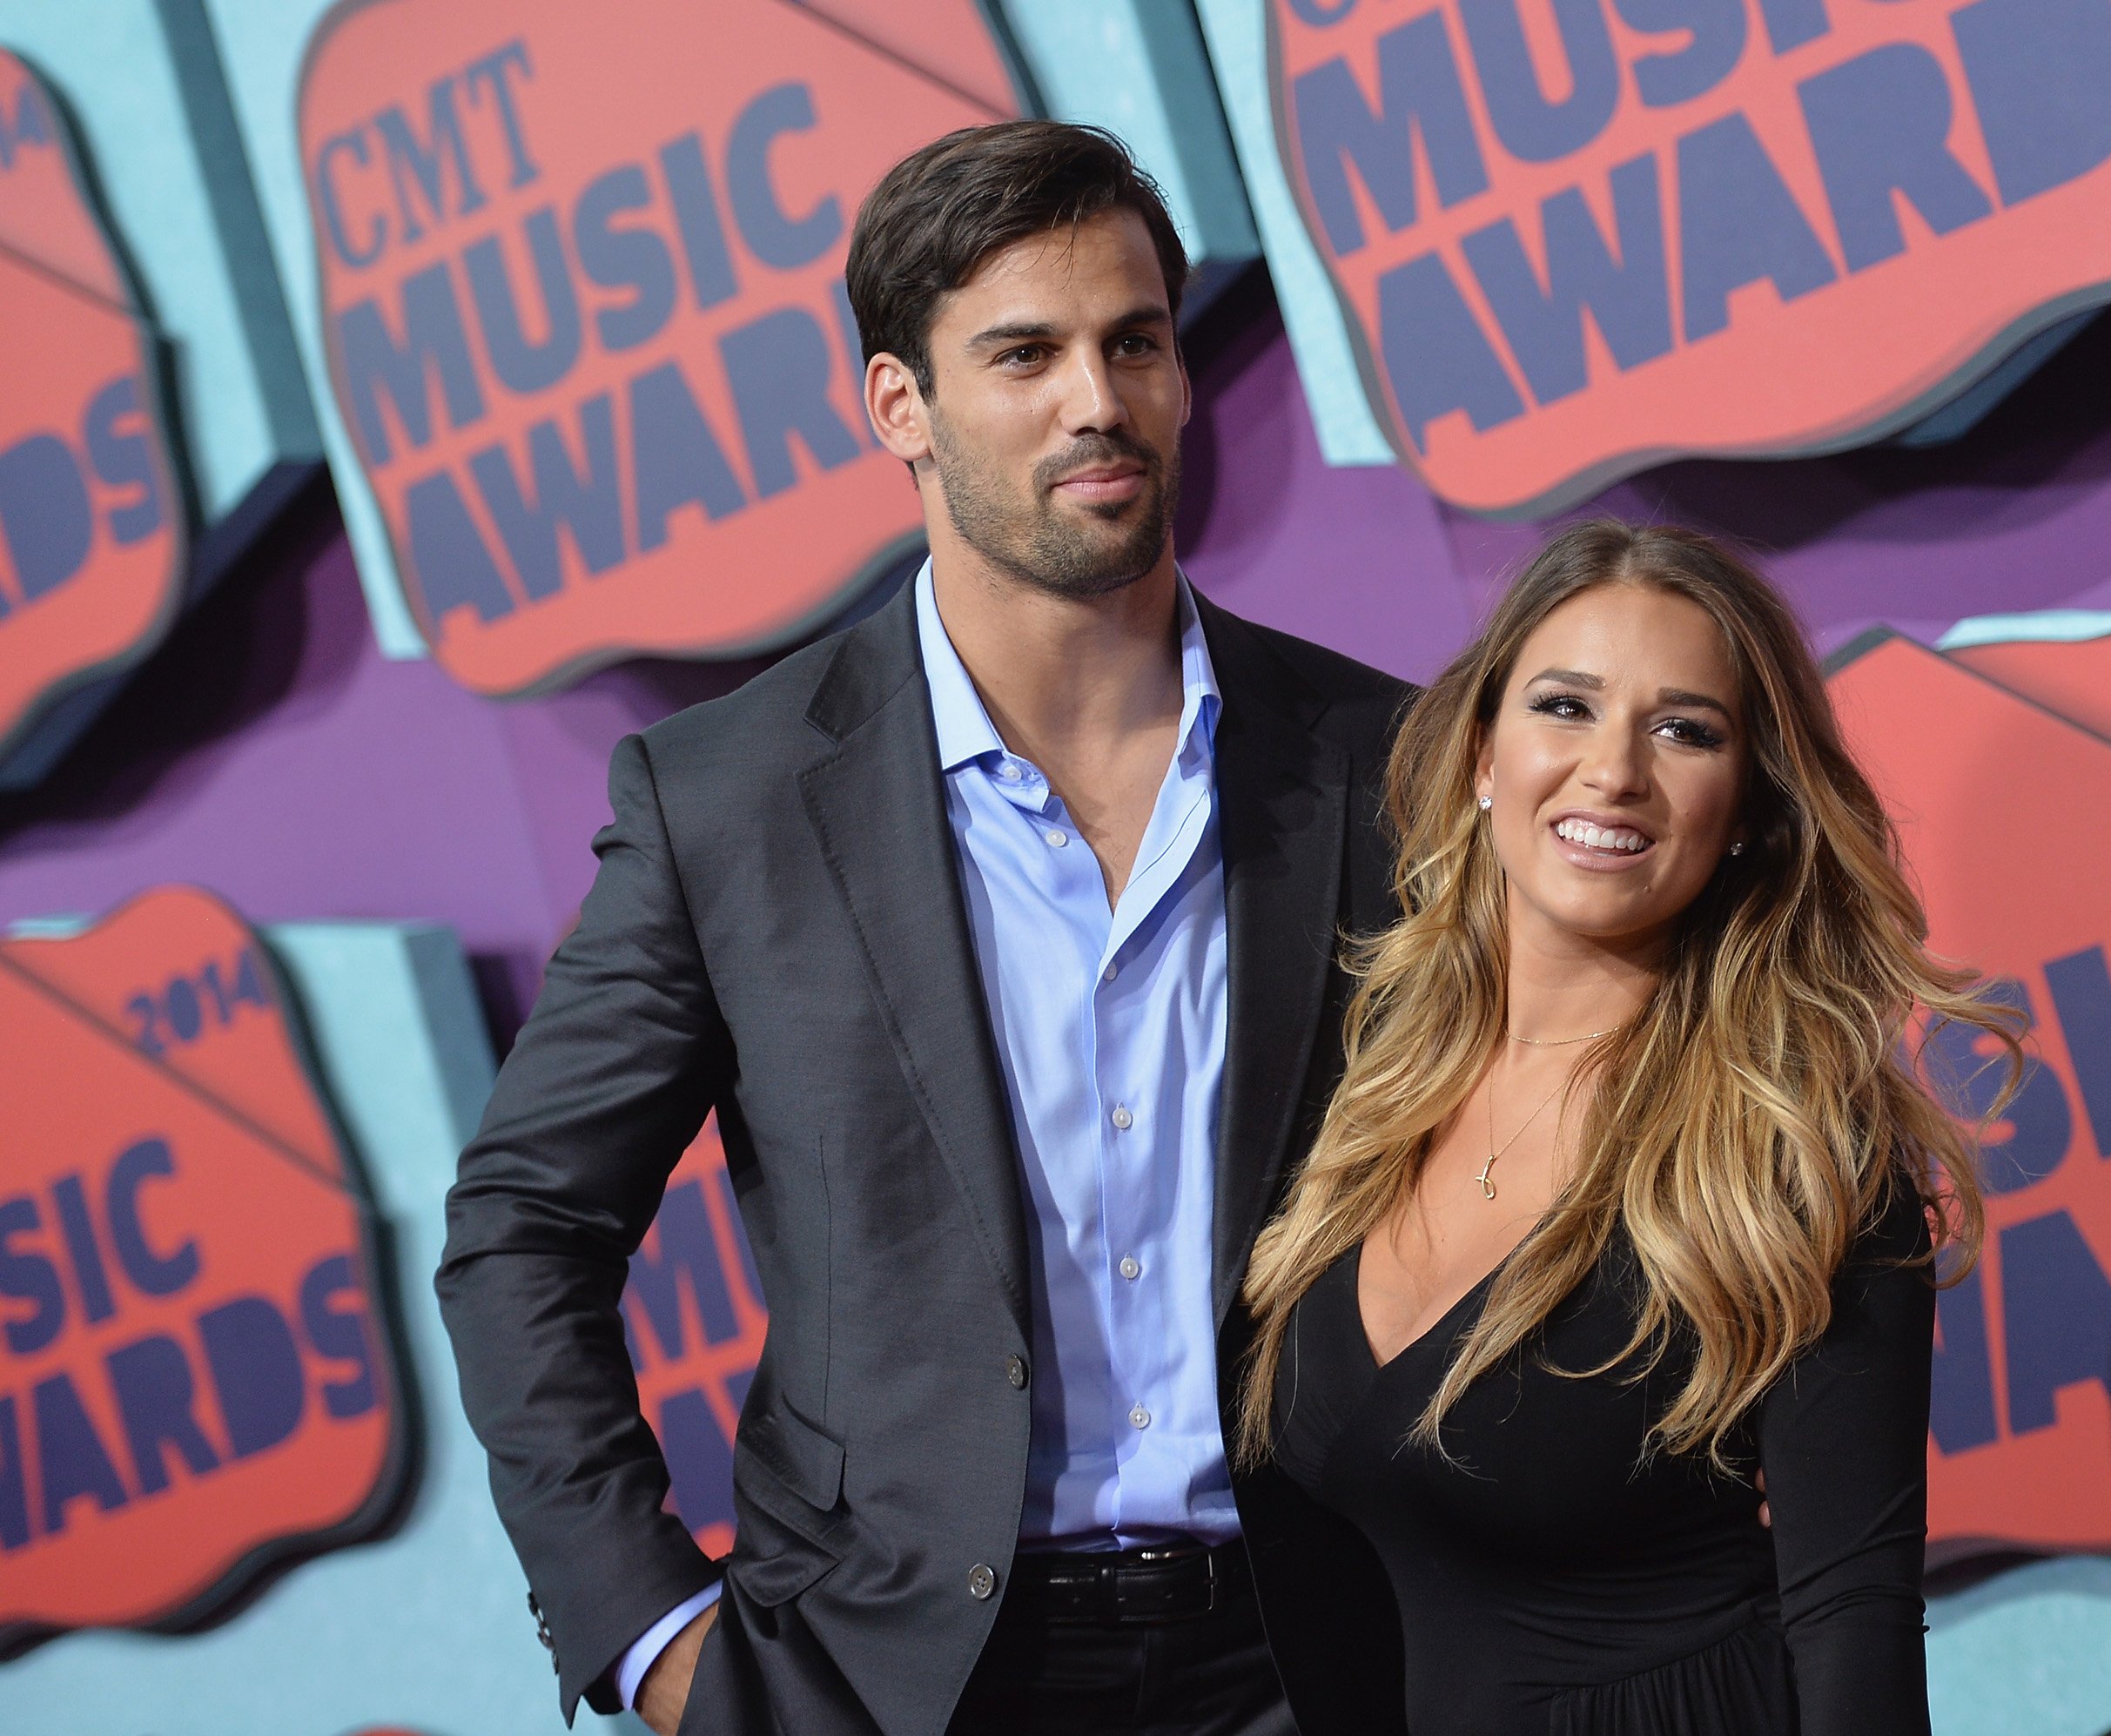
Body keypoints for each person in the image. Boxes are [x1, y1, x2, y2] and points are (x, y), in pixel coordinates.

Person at [435, 121, 1412, 1736]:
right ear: (902, 404)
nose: (1096, 401)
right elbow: (525, 1227)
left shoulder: (1382, 758)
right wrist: (653, 1635)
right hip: (894, 1676)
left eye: (1136, 343)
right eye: (1023, 354)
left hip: (1322, 1654)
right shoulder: (728, 799)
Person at [1237, 520, 2009, 1736]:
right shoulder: (1361, 1088)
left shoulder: (1793, 1157)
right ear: (1484, 753)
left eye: (1683, 729)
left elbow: (1852, 1616)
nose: (1613, 770)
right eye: (1567, 706)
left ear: (1747, 806)